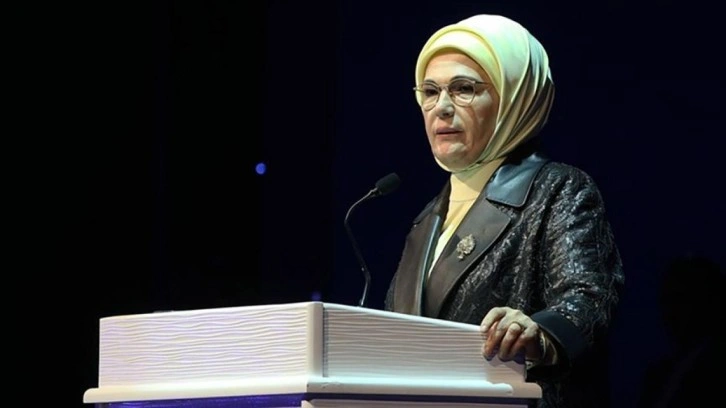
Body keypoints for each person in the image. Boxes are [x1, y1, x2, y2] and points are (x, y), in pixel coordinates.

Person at [383, 14, 625, 408]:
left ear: (515, 98)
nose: (441, 107)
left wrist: (540, 336)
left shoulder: (558, 189)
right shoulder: (427, 220)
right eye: (430, 91)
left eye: (463, 89)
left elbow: (588, 297)